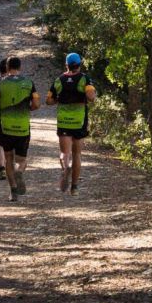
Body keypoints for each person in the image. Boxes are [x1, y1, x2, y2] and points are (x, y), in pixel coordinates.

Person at [0, 56, 40, 201]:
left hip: (6, 127)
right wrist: (28, 108)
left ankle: (13, 192)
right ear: (20, 67)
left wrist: (1, 106)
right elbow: (36, 103)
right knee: (21, 160)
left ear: (7, 66)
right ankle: (19, 171)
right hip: (23, 127)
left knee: (9, 159)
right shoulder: (29, 83)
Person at [46, 52, 96, 196]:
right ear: (80, 64)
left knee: (64, 153)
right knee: (77, 154)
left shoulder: (59, 80)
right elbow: (91, 97)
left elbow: (48, 100)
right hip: (79, 121)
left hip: (63, 121)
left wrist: (59, 99)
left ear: (66, 65)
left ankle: (65, 169)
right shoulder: (84, 79)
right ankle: (74, 187)